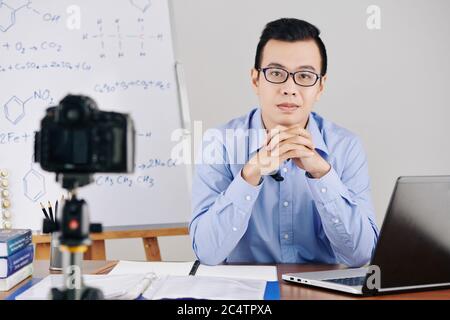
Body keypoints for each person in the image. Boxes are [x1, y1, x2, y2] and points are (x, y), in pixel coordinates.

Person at [190, 18, 379, 267]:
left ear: (320, 86)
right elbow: (206, 252)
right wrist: (249, 174)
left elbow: (361, 255)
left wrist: (322, 174)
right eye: (276, 73)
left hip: (319, 290)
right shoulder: (220, 143)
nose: (289, 88)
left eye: (304, 76)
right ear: (256, 79)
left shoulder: (346, 146)